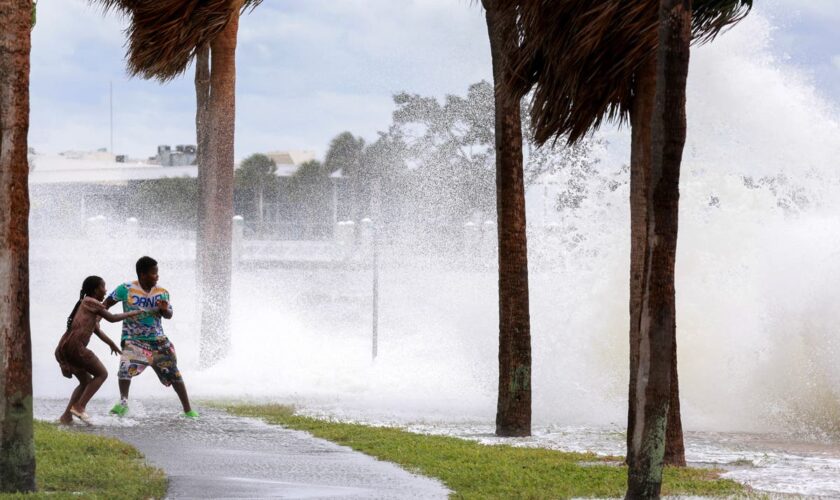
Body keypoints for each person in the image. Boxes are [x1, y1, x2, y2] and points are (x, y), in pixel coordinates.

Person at [105, 256, 198, 418]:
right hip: (134, 339)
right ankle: (123, 403)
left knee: (175, 375)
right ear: (142, 274)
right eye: (154, 273)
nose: (157, 276)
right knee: (125, 369)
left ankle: (188, 410)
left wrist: (164, 309)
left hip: (158, 341)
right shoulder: (125, 289)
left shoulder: (162, 293)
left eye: (157, 273)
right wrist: (96, 319)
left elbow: (169, 315)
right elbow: (106, 304)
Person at [55, 276, 143, 425]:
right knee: (102, 374)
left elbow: (96, 330)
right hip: (76, 347)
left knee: (85, 382)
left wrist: (111, 344)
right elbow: (112, 318)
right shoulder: (91, 302)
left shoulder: (86, 305)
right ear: (96, 290)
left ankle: (66, 416)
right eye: (103, 287)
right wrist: (131, 313)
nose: (106, 290)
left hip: (65, 348)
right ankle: (79, 407)